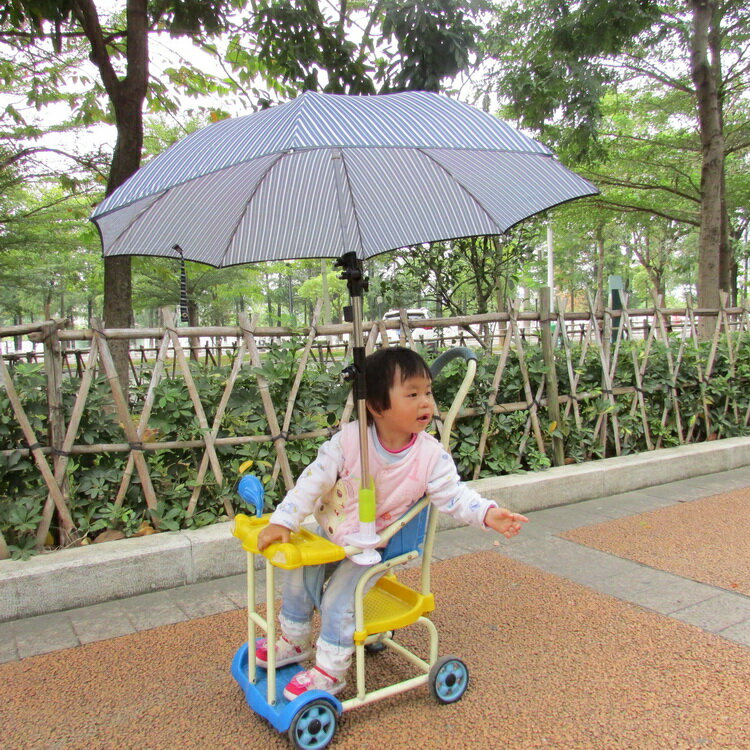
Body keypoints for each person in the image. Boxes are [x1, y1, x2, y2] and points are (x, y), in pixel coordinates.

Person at [256, 346, 528, 700]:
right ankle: (294, 641)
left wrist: (488, 513)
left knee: (341, 599)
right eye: (412, 394)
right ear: (375, 406)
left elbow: (454, 495)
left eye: (427, 392)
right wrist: (284, 520)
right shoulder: (349, 441)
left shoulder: (430, 456)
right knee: (296, 574)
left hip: (375, 544)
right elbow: (312, 482)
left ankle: (330, 672)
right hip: (335, 530)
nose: (425, 403)